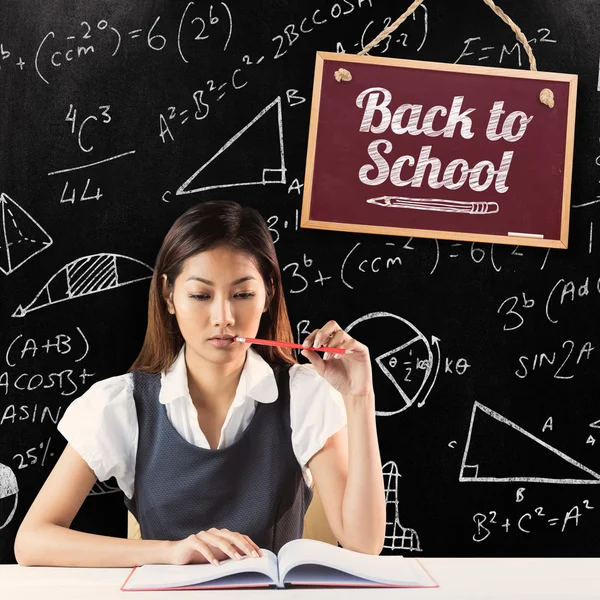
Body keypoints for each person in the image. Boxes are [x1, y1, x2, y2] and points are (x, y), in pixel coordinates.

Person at [14, 200, 386, 568]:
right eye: (200, 295)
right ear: (168, 296)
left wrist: (359, 396)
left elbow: (363, 543)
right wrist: (169, 551)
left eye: (242, 294)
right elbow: (32, 541)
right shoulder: (122, 404)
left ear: (269, 293)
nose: (223, 317)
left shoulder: (304, 394)